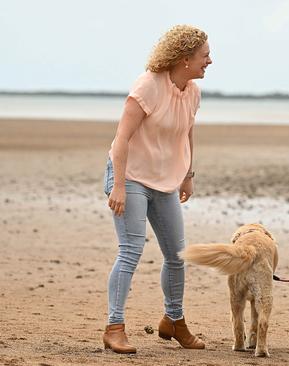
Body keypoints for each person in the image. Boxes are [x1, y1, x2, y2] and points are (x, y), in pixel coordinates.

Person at [101, 24, 212, 354]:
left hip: (165, 180)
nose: (210, 61)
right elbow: (121, 139)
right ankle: (114, 327)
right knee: (131, 250)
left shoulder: (192, 90)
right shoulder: (148, 85)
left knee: (178, 254)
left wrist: (188, 173)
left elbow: (186, 132)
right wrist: (118, 185)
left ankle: (173, 321)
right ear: (184, 58)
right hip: (131, 176)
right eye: (205, 55)